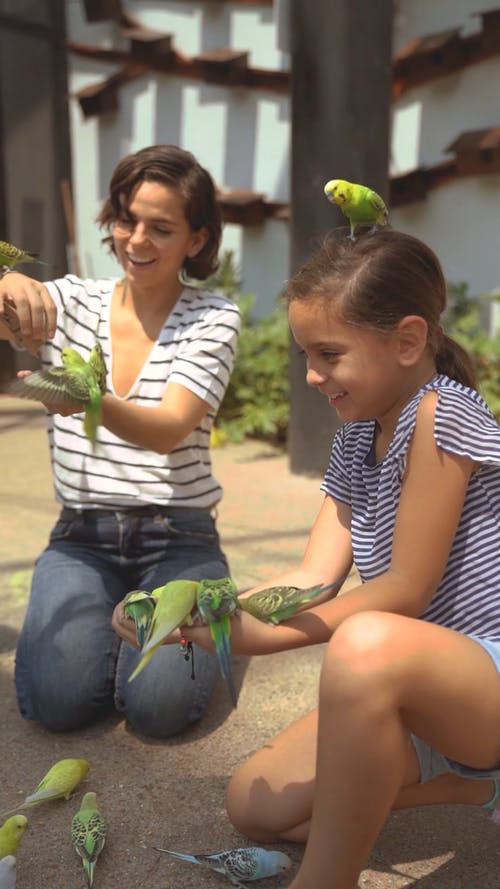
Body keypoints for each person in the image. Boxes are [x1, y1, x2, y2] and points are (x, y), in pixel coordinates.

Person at [119, 227, 498, 888]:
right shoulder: (357, 439)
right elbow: (311, 578)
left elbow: (405, 589)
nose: (313, 375)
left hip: (481, 678)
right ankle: (476, 790)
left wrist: (238, 637)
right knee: (255, 805)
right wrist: (189, 616)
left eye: (328, 353)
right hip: (420, 687)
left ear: (408, 340)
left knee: (366, 641)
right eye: (304, 355)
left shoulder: (441, 414)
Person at [0, 144, 240, 739]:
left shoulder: (214, 317)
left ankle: (195, 604)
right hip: (82, 535)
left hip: (179, 538)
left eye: (161, 228)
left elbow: (166, 430)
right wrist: (6, 282)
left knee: (157, 712)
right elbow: (14, 304)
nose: (136, 240)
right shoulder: (71, 300)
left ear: (198, 240)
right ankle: (115, 634)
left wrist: (87, 400)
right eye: (127, 219)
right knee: (57, 706)